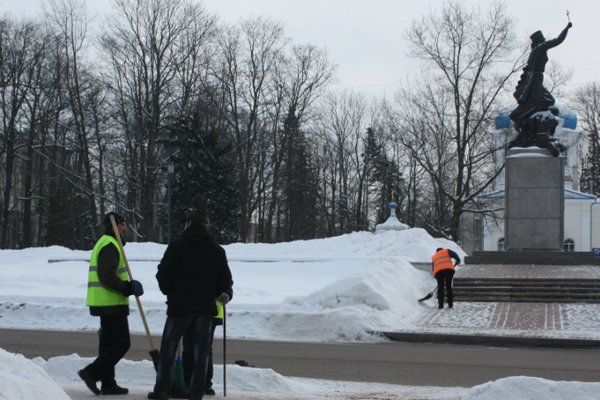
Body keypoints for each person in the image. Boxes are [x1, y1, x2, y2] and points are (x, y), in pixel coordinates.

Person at [149, 210, 233, 400]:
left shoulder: (177, 246)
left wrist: (170, 291)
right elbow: (225, 282)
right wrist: (223, 293)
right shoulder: (217, 250)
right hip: (205, 308)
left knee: (169, 348)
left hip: (180, 305)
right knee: (201, 352)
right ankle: (196, 393)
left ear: (188, 223)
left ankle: (162, 391)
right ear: (206, 226)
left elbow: (163, 274)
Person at [78, 211, 144, 395]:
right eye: (122, 225)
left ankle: (108, 383)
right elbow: (107, 276)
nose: (124, 228)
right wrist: (127, 288)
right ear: (113, 227)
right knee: (122, 342)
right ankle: (91, 372)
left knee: (108, 343)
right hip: (111, 302)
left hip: (104, 302)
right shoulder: (110, 245)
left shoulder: (107, 243)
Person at [509, 22, 572, 133]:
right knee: (538, 103)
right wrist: (566, 29)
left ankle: (527, 122)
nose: (544, 38)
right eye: (543, 37)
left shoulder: (534, 51)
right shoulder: (541, 47)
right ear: (540, 39)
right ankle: (522, 120)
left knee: (543, 101)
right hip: (536, 78)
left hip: (533, 78)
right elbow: (558, 40)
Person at [182, 296, 232, 396]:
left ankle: (204, 383)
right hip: (190, 307)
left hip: (209, 310)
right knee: (190, 348)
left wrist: (227, 294)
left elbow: (226, 282)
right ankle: (190, 382)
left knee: (204, 349)